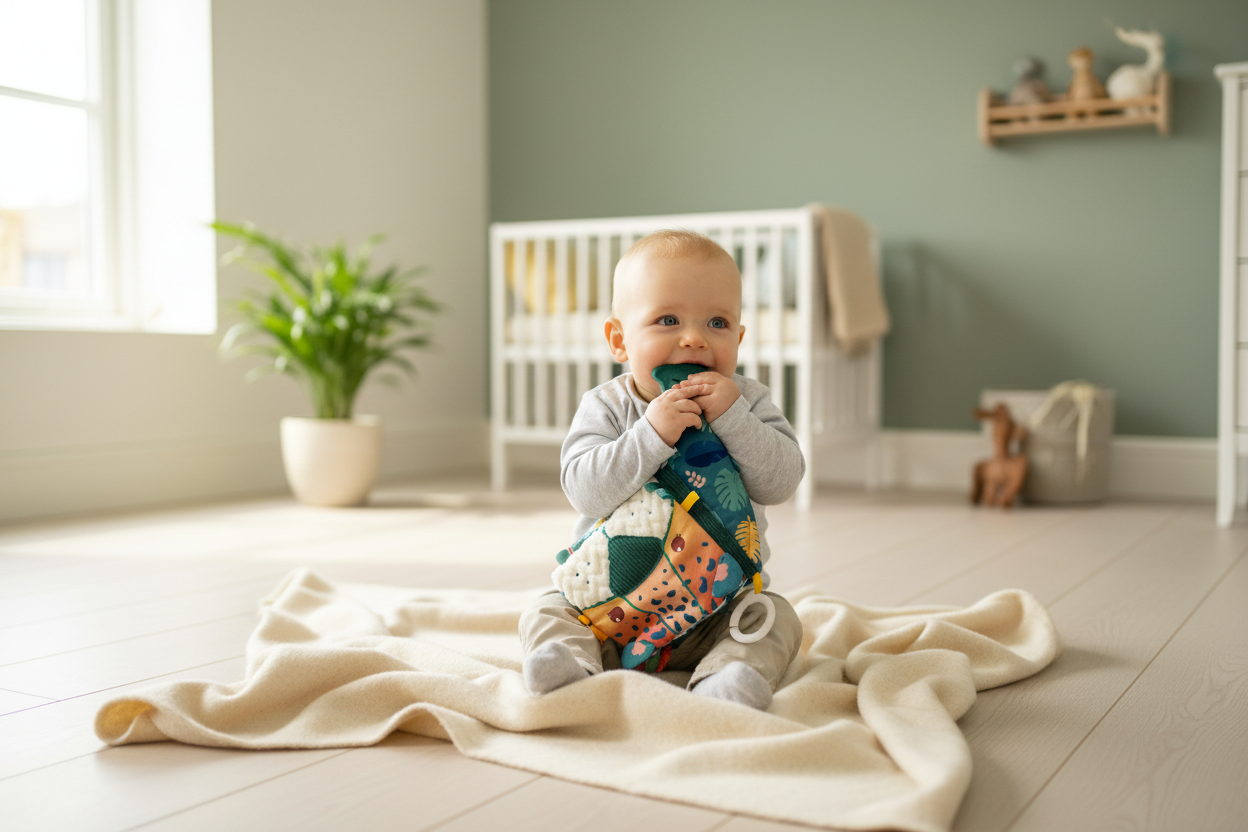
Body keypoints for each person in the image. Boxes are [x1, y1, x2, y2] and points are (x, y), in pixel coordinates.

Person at [518, 229, 805, 710]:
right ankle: (570, 664)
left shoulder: (749, 401)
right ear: (619, 340)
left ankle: (726, 677)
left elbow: (783, 481)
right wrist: (650, 435)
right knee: (546, 609)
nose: (693, 338)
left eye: (717, 322)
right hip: (607, 609)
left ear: (738, 337)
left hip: (716, 610)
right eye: (667, 320)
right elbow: (585, 491)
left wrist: (734, 419)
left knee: (777, 618)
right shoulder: (607, 406)